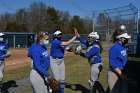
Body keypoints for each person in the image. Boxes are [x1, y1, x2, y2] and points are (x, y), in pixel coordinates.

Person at [50, 29, 78, 93]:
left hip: (61, 61)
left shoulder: (60, 42)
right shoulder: (55, 42)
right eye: (59, 34)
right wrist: (75, 36)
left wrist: (73, 50)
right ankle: (51, 88)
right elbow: (67, 43)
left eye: (61, 34)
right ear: (56, 36)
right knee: (57, 79)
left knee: (62, 79)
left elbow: (67, 48)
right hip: (54, 61)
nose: (61, 35)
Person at [108, 25, 131, 93]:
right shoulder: (114, 48)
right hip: (114, 74)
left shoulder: (123, 47)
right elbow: (112, 63)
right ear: (120, 38)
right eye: (125, 38)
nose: (127, 40)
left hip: (122, 73)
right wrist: (121, 74)